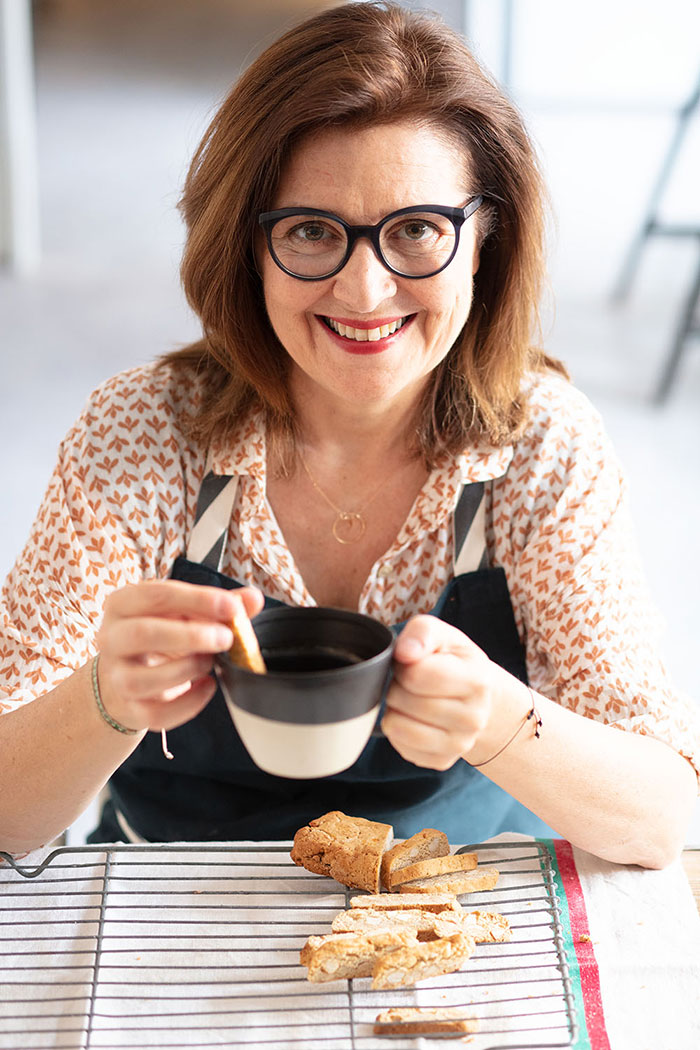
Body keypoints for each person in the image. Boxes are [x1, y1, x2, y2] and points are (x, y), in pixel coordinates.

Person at [0, 1, 697, 866]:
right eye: (310, 231)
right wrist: (104, 698)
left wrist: (500, 720)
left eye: (415, 231)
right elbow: (8, 818)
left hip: (439, 918)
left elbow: (663, 817)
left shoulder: (540, 448)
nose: (364, 293)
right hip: (164, 920)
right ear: (247, 248)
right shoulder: (142, 435)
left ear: (486, 241)